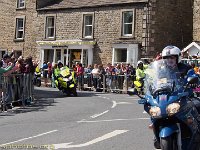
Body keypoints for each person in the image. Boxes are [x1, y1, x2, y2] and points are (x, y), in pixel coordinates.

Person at [149, 45, 197, 149]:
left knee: (197, 104)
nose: (169, 60)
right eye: (167, 58)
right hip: (168, 97)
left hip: (184, 96)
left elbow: (194, 76)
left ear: (177, 57)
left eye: (172, 57)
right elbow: (153, 82)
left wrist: (193, 80)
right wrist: (148, 88)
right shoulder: (161, 71)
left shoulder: (186, 68)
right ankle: (155, 130)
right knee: (154, 109)